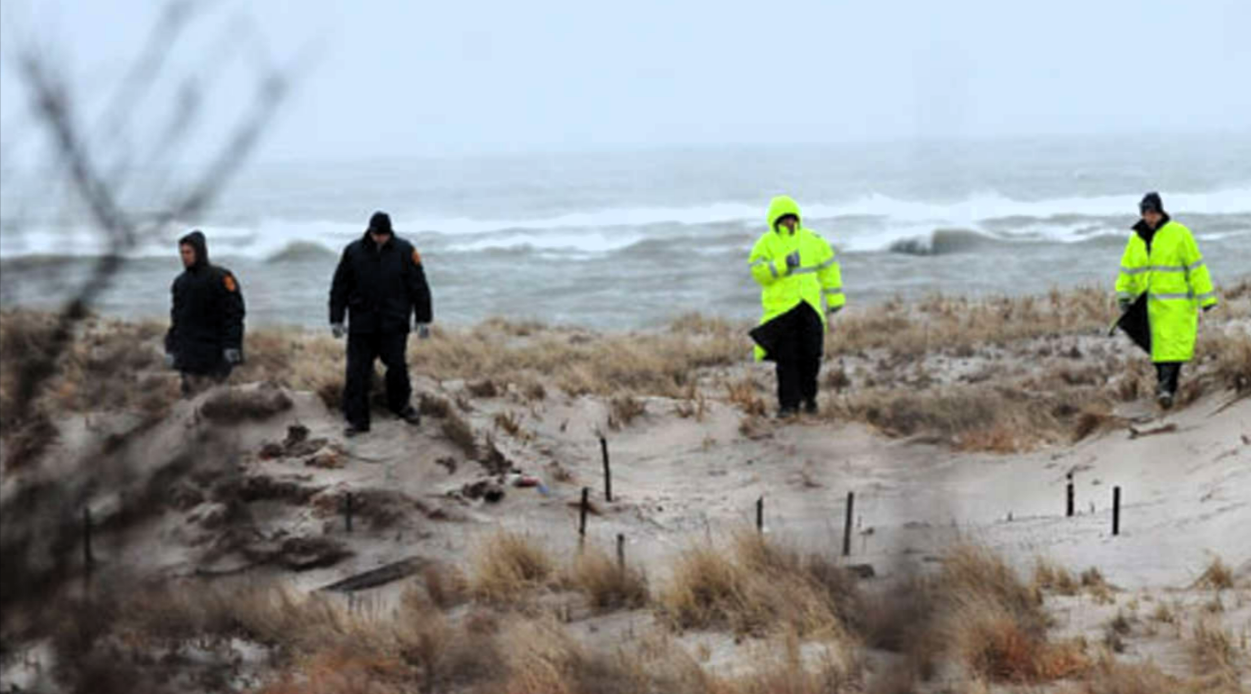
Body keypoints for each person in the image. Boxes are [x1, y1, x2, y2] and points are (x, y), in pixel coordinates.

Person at [329, 211, 433, 436]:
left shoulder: (405, 251)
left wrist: (423, 319)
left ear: (390, 232)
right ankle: (357, 420)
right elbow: (339, 287)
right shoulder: (353, 251)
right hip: (362, 325)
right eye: (377, 235)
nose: (380, 239)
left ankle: (400, 406)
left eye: (384, 235)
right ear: (370, 231)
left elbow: (419, 286)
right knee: (357, 372)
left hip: (393, 323)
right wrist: (336, 318)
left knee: (397, 367)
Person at [1115, 192, 1218, 409]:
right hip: (1149, 304)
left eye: (1153, 212)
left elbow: (1196, 267)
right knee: (1157, 348)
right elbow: (1128, 269)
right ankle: (1165, 387)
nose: (1149, 217)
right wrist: (1124, 294)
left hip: (1176, 303)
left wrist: (1206, 297)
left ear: (1161, 212)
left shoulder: (1179, 234)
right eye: (1145, 213)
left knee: (1174, 347)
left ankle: (1167, 388)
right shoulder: (1136, 238)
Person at [748, 196, 844, 418]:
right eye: (783, 220)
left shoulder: (813, 240)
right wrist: (783, 264)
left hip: (809, 308)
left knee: (812, 357)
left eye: (791, 218)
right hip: (783, 311)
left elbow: (829, 268)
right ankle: (788, 406)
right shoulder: (765, 243)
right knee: (787, 360)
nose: (788, 223)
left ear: (798, 219)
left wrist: (835, 299)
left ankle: (809, 399)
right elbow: (758, 273)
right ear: (775, 221)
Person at [165, 230, 246, 395]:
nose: (184, 256)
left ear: (199, 251)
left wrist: (232, 346)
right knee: (190, 402)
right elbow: (177, 319)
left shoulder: (221, 277)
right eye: (182, 252)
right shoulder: (180, 283)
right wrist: (171, 348)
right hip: (188, 354)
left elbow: (235, 314)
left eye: (188, 252)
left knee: (215, 401)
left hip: (215, 353)